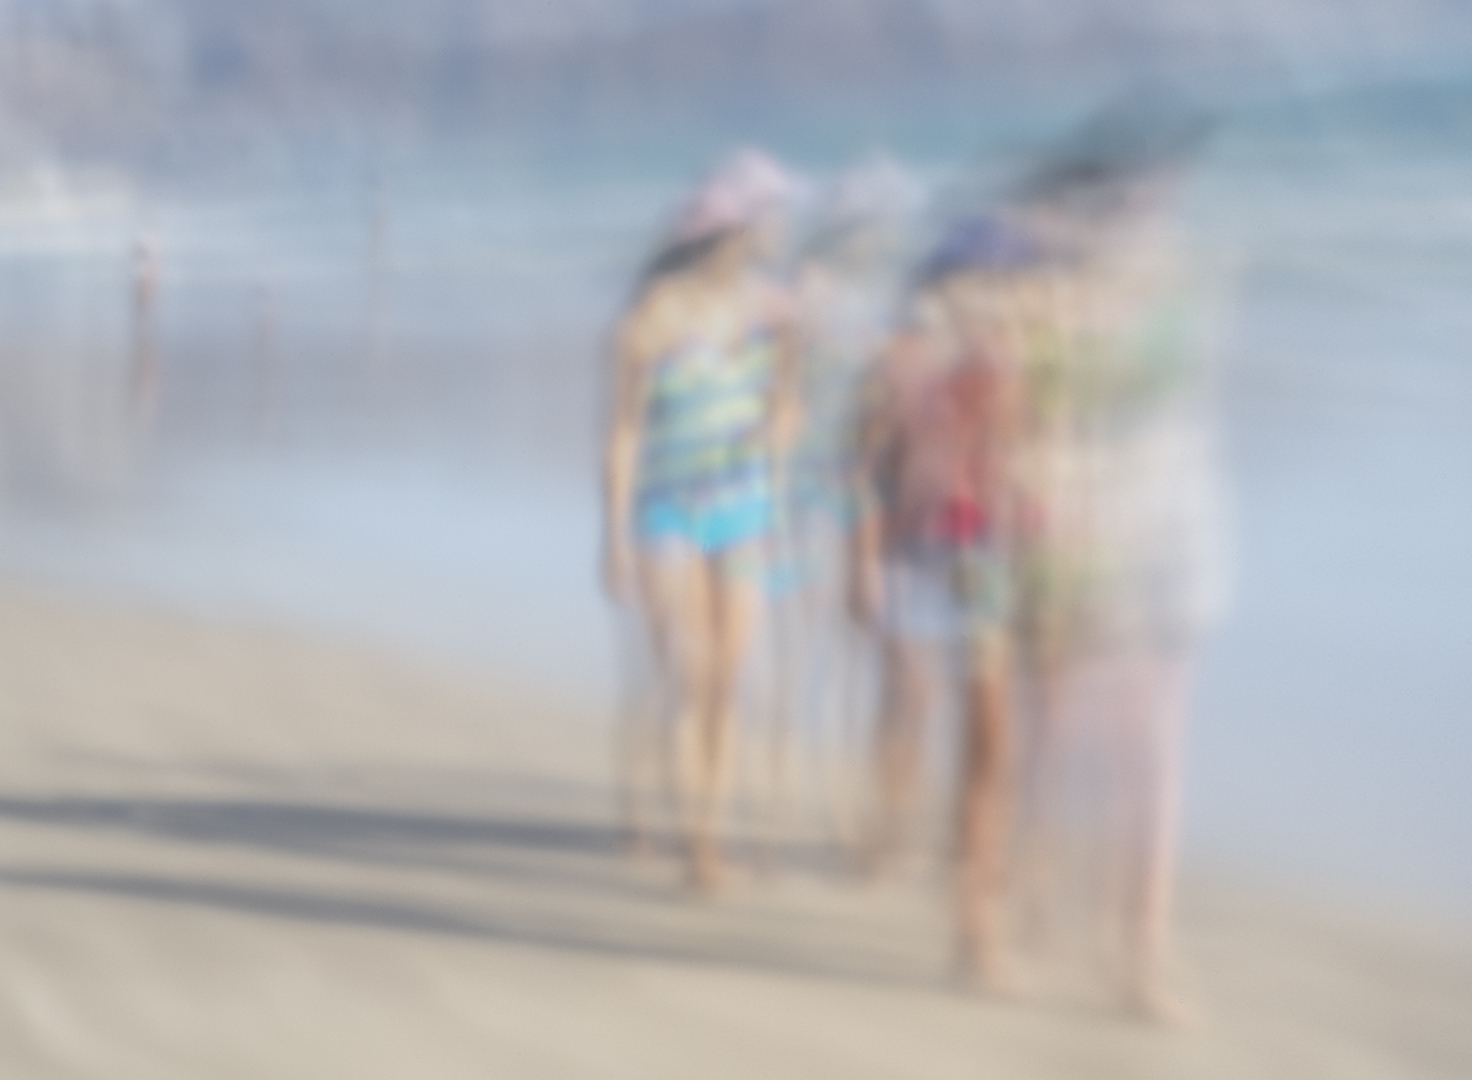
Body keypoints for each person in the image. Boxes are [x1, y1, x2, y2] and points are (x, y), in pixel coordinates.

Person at [602, 149, 802, 892]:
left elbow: (788, 400)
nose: (782, 229)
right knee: (688, 676)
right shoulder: (650, 316)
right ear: (734, 231)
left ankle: (709, 829)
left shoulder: (774, 310)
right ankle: (698, 843)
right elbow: (622, 432)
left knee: (727, 681)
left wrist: (780, 424)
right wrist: (613, 536)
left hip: (742, 510)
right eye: (770, 218)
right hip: (665, 511)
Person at [847, 218, 1036, 986]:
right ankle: (889, 824)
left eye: (1006, 283)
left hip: (984, 558)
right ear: (948, 284)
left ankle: (974, 920)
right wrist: (860, 564)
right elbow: (862, 473)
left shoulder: (1011, 363)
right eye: (988, 281)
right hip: (913, 555)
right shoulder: (894, 364)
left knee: (991, 737)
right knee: (910, 697)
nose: (1000, 296)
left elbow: (1024, 462)